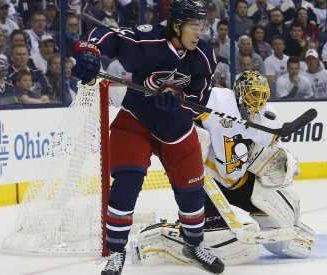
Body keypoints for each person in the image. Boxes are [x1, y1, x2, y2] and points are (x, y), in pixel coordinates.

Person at [70, 0, 224, 274]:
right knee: (127, 185)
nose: (199, 33)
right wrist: (90, 53)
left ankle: (195, 245)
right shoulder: (149, 40)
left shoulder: (204, 54)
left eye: (202, 26)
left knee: (192, 192)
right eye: (193, 26)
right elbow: (107, 37)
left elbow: (199, 97)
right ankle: (116, 253)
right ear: (176, 25)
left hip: (176, 129)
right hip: (137, 120)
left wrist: (179, 100)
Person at [132, 71, 315, 266]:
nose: (258, 101)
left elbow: (266, 150)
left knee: (286, 225)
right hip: (208, 184)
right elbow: (186, 112)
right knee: (227, 247)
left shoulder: (267, 117)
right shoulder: (217, 101)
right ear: (240, 92)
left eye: (262, 95)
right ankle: (159, 239)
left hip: (239, 183)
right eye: (253, 94)